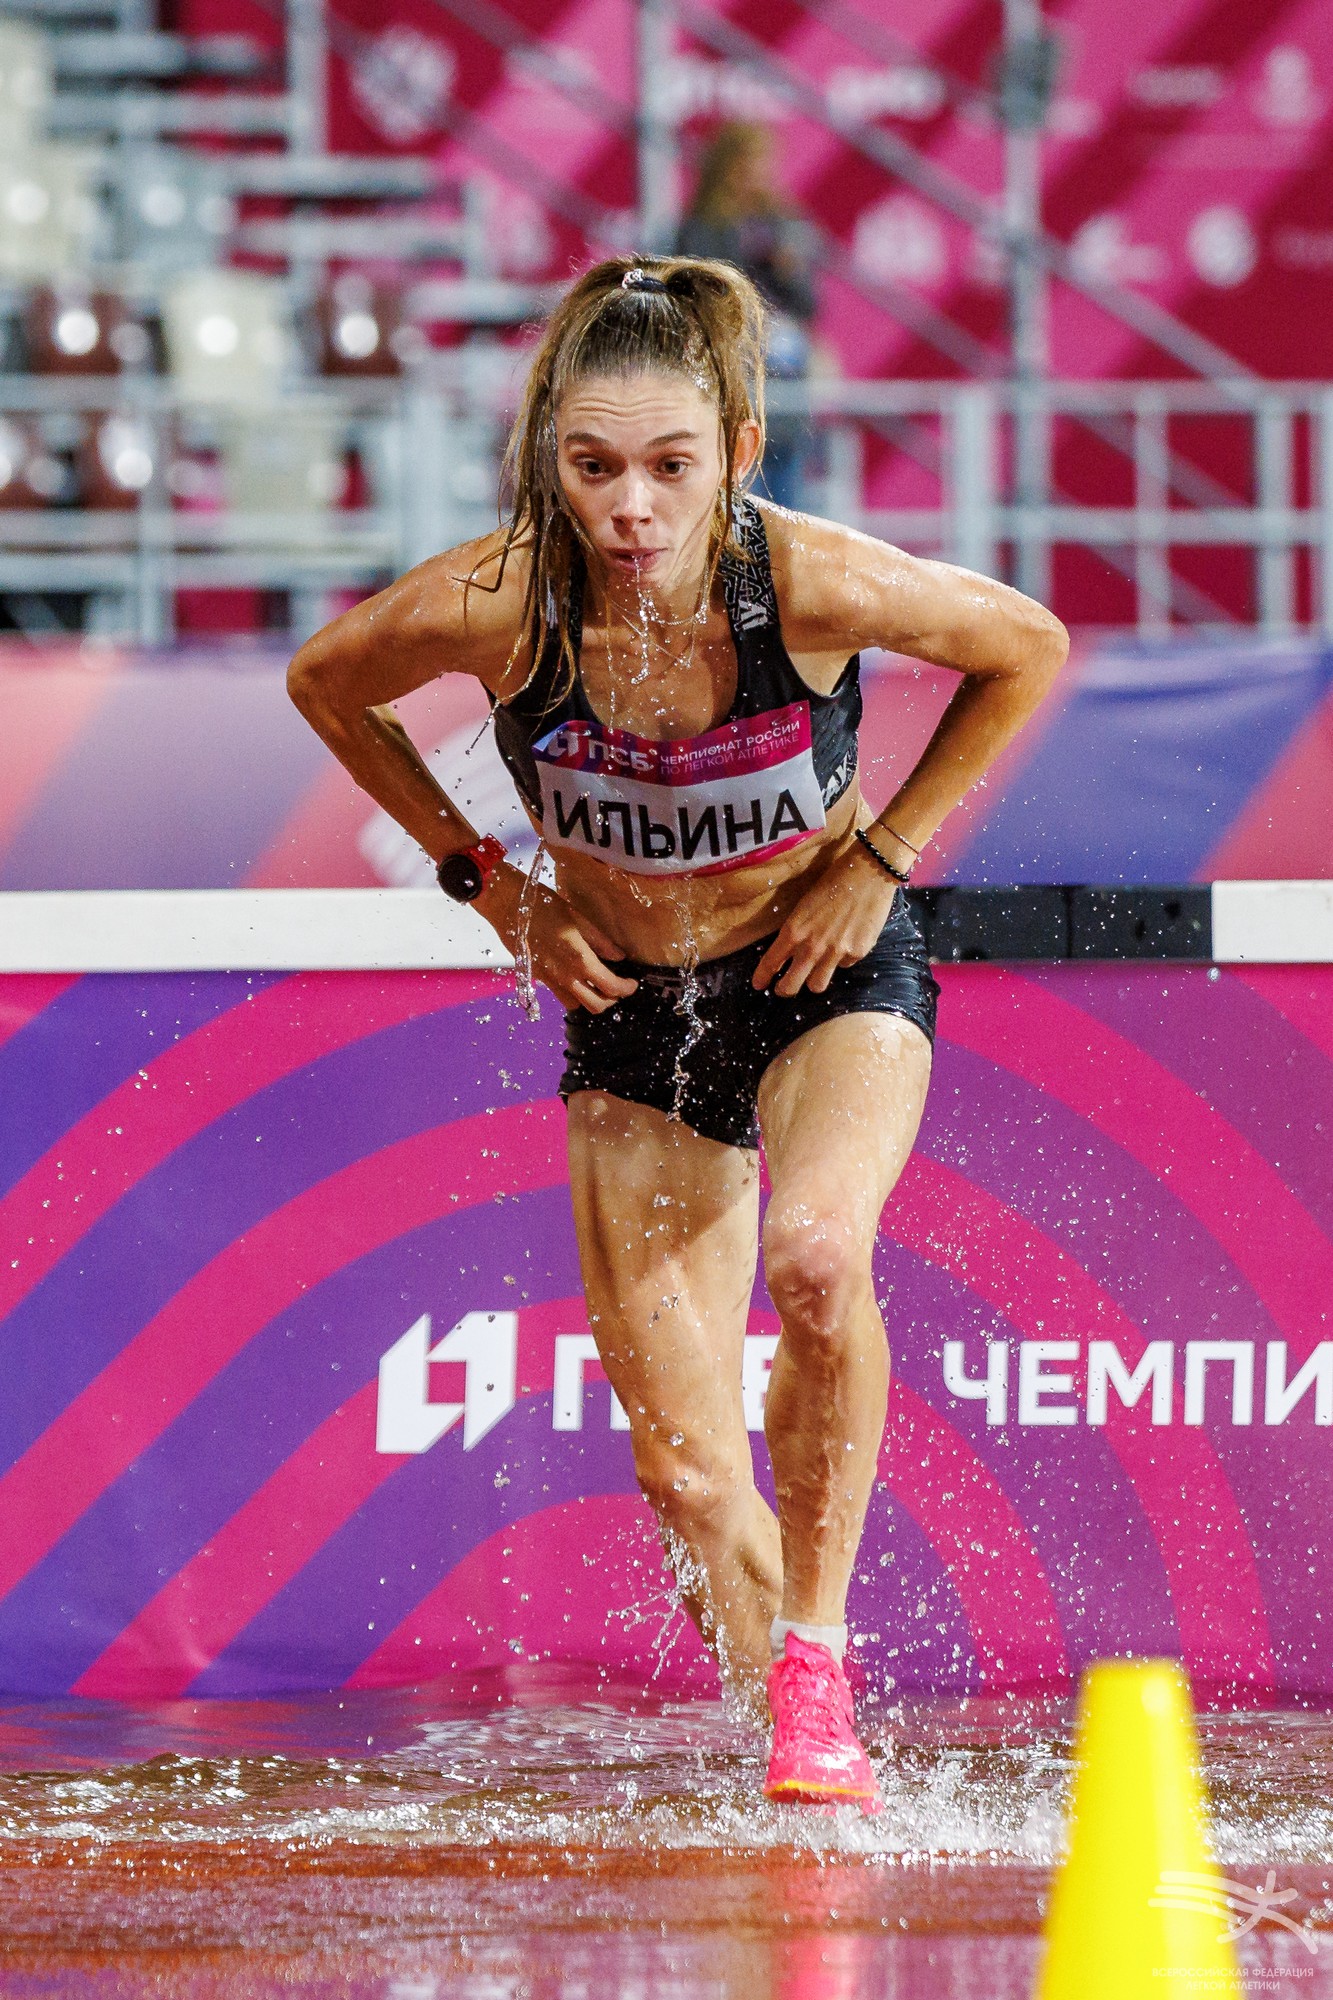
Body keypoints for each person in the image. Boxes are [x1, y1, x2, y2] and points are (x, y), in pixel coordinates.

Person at [287, 256, 1067, 1809]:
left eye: (668, 467)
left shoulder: (813, 582)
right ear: (549, 460)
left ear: (736, 450)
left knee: (818, 1259)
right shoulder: (504, 601)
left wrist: (883, 852)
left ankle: (818, 1658)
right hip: (635, 1014)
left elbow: (1025, 646)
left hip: (820, 975)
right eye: (592, 470)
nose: (630, 510)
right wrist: (487, 883)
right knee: (688, 1475)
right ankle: (804, 1746)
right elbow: (327, 684)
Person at [677, 123, 817, 511]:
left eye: (764, 162)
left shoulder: (781, 223)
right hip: (727, 367)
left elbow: (807, 304)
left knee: (787, 504)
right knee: (737, 493)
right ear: (728, 166)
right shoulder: (701, 227)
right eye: (750, 162)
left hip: (782, 379)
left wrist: (786, 268)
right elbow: (696, 296)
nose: (760, 172)